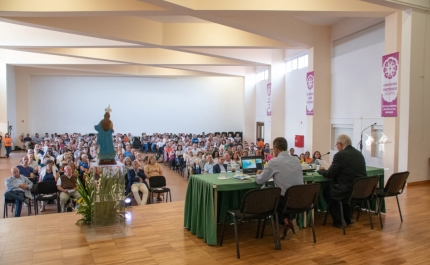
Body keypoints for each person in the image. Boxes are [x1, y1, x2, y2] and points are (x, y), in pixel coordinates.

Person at [255, 137, 303, 240]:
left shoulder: (274, 162)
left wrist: (257, 174)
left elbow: (260, 180)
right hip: (299, 199)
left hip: (284, 200)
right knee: (281, 196)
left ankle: (286, 221)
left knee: (271, 200)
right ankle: (289, 221)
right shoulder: (296, 159)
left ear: (276, 148)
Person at [318, 134, 366, 228]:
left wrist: (322, 171)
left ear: (340, 144)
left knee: (328, 192)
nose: (337, 148)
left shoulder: (340, 155)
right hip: (359, 189)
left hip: (346, 189)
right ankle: (348, 218)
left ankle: (339, 221)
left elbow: (330, 174)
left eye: (336, 145)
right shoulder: (359, 153)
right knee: (342, 195)